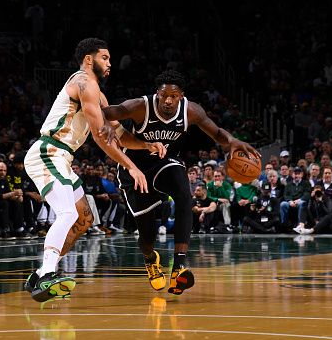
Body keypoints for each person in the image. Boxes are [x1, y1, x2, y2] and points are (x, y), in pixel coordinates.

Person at [23, 38, 164, 301]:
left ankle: (41, 272)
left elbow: (117, 132)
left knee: (84, 220)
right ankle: (46, 276)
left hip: (63, 157)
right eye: (105, 58)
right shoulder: (83, 82)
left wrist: (147, 146)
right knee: (66, 212)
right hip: (48, 151)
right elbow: (101, 136)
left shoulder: (98, 94)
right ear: (89, 59)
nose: (110, 63)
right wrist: (131, 166)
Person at [103, 69, 259, 295]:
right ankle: (150, 259)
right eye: (163, 95)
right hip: (135, 167)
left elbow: (216, 133)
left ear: (181, 95)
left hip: (166, 162)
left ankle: (179, 265)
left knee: (185, 196)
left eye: (173, 96)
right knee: (147, 235)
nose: (168, 100)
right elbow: (105, 112)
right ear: (157, 94)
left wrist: (232, 140)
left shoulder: (191, 111)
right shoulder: (140, 106)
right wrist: (107, 124)